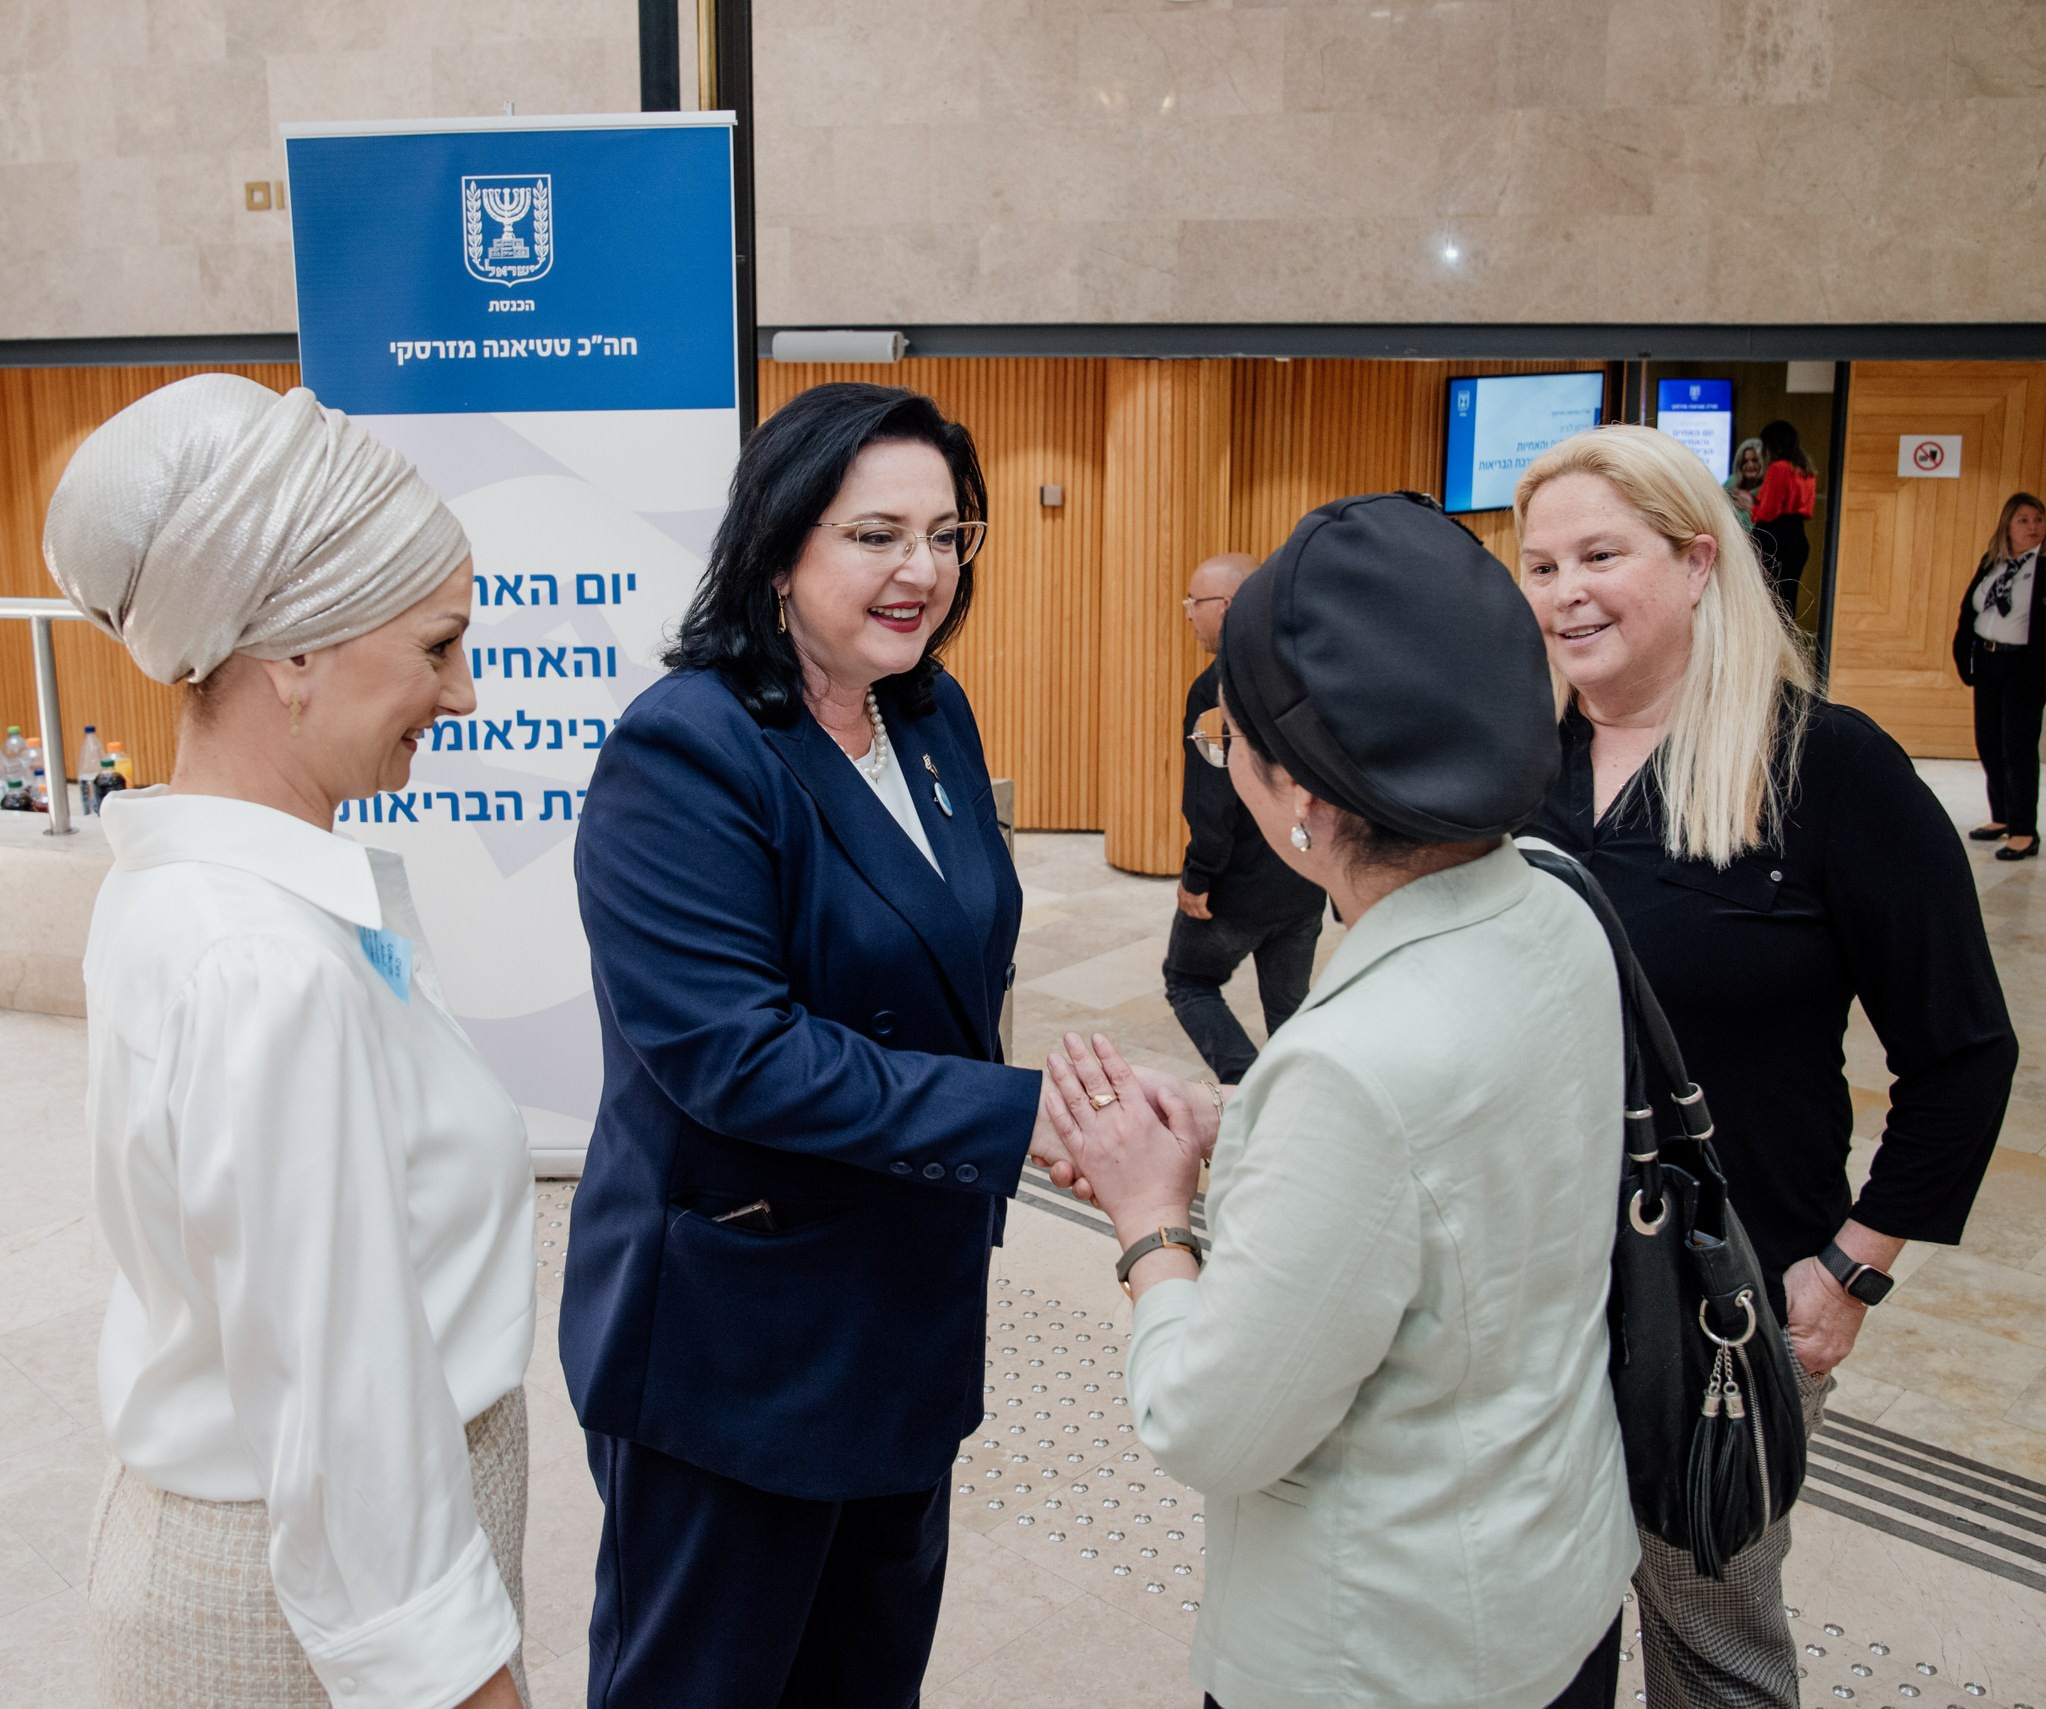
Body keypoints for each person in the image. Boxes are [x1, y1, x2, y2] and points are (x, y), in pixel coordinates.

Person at [1042, 492, 1638, 1709]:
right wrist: (1253, 1136)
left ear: (1302, 795)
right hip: (1556, 1580)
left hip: (1391, 1648)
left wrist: (1153, 1217)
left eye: (1228, 746)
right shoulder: (1559, 898)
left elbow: (1212, 1423)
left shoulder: (1356, 1067)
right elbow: (1455, 1180)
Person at [563, 382, 1085, 1708]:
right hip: (740, 1346)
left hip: (907, 1313)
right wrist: (1019, 1119)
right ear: (779, 549)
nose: (923, 569)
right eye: (876, 534)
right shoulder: (686, 752)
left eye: (948, 532)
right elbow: (736, 1055)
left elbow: (958, 957)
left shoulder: (929, 715)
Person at [45, 374, 535, 1709]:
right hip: (304, 1614)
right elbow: (344, 1400)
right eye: (438, 646)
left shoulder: (216, 896)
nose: (469, 694)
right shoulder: (264, 963)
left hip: (298, 1566)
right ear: (295, 653)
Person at [1513, 424, 2016, 1709]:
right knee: (1529, 1637)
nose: (1564, 590)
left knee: (1713, 1648)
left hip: (1722, 1308)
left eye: (1597, 554)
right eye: (1538, 563)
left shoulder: (1827, 768)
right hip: (1525, 1296)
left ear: (1694, 563)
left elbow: (1962, 1053)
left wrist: (1851, 1270)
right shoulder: (1519, 771)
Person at [1167, 549, 1325, 1082]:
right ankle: (1301, 1107)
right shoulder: (1309, 673)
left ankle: (1250, 1093)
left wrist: (1197, 877)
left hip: (1238, 889)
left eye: (1195, 600)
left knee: (1186, 982)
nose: (1188, 611)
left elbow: (1212, 802)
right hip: (1305, 880)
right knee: (1291, 1012)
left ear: (1228, 605)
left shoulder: (1214, 690)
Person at [1951, 491, 2046, 861]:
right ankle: (2001, 816)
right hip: (1988, 663)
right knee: (1988, 741)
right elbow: (1971, 609)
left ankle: (2024, 831)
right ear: (2008, 525)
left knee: (2017, 747)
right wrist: (1963, 653)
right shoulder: (1993, 561)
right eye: (2024, 520)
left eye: (2038, 519)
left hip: (2027, 667)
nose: (2033, 527)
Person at [1749, 418, 1816, 617]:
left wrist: (1752, 508)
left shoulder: (1779, 468)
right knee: (1787, 600)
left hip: (1773, 536)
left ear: (1771, 445)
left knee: (1766, 598)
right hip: (1797, 536)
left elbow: (1768, 511)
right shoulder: (1806, 471)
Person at [1726, 436, 1766, 525]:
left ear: (1762, 462)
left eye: (1754, 460)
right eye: (1745, 461)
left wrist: (1750, 507)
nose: (1750, 465)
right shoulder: (1731, 483)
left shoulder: (1768, 489)